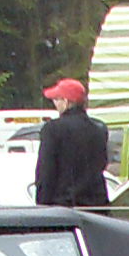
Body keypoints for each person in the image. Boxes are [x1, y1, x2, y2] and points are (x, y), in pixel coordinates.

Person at [31, 78, 109, 208]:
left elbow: (46, 172)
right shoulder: (99, 129)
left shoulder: (53, 129)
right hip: (96, 207)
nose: (54, 103)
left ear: (66, 102)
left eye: (56, 99)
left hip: (64, 208)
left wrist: (42, 205)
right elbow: (102, 164)